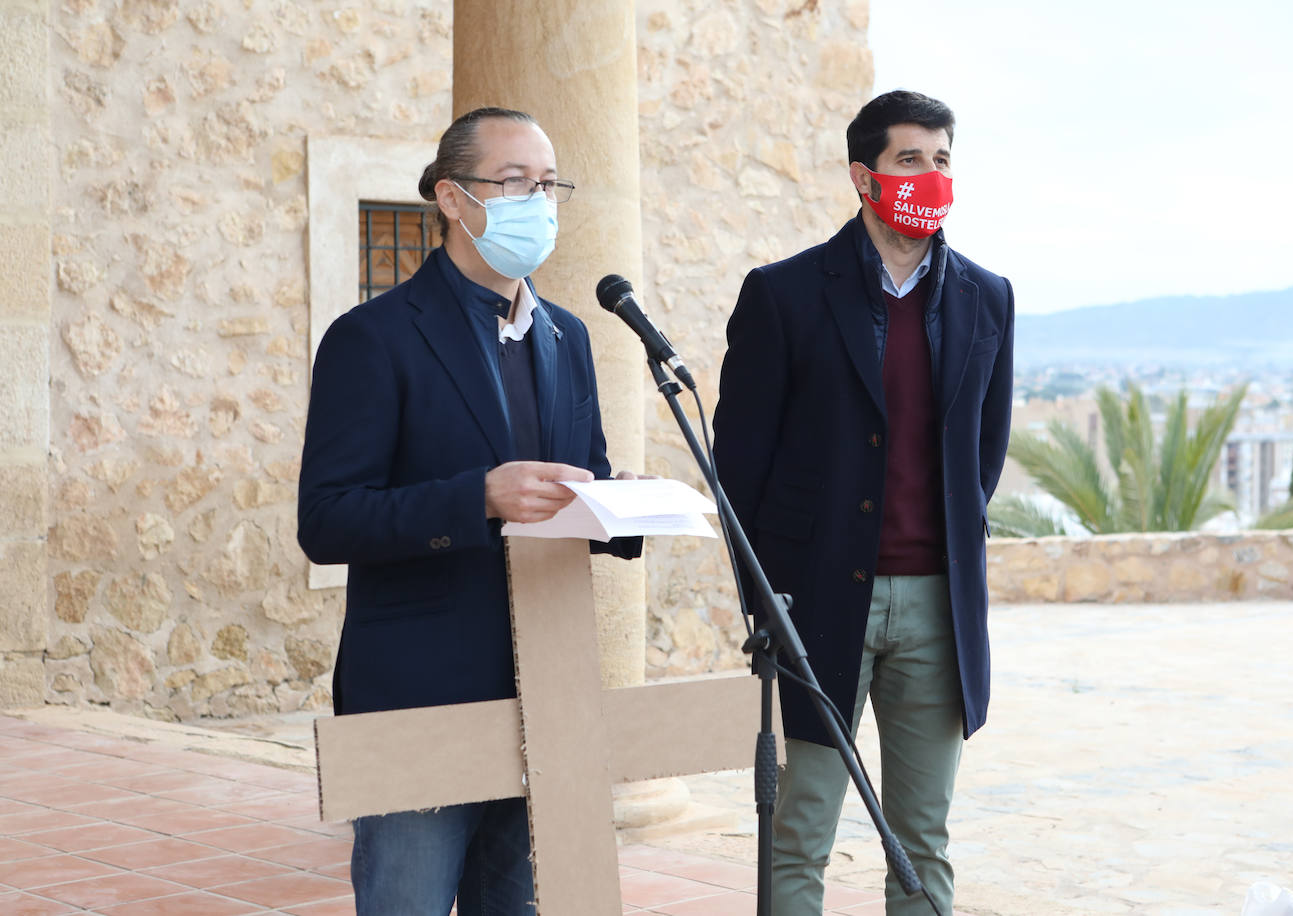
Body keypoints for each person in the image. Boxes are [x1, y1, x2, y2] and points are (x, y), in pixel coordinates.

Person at [297, 106, 641, 915]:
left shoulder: (569, 336)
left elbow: (571, 484)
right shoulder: (373, 337)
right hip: (421, 692)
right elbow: (328, 519)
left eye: (549, 184)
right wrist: (476, 498)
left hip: (544, 687)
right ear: (452, 199)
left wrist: (617, 506)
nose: (539, 200)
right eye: (515, 181)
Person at [712, 90, 1014, 915]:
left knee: (923, 840)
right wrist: (766, 606)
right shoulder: (785, 295)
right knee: (800, 833)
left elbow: (983, 457)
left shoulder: (989, 298)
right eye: (910, 158)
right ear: (863, 175)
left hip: (936, 611)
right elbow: (738, 468)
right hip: (817, 604)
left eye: (943, 158)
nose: (931, 173)